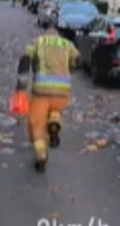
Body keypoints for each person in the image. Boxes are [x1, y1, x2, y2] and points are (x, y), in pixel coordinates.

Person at [14, 19, 80, 172]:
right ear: (57, 30)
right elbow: (78, 60)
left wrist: (20, 87)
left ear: (45, 30)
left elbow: (25, 61)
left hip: (41, 90)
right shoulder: (66, 44)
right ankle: (54, 121)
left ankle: (41, 155)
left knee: (37, 125)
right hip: (62, 90)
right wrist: (68, 68)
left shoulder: (37, 42)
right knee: (55, 109)